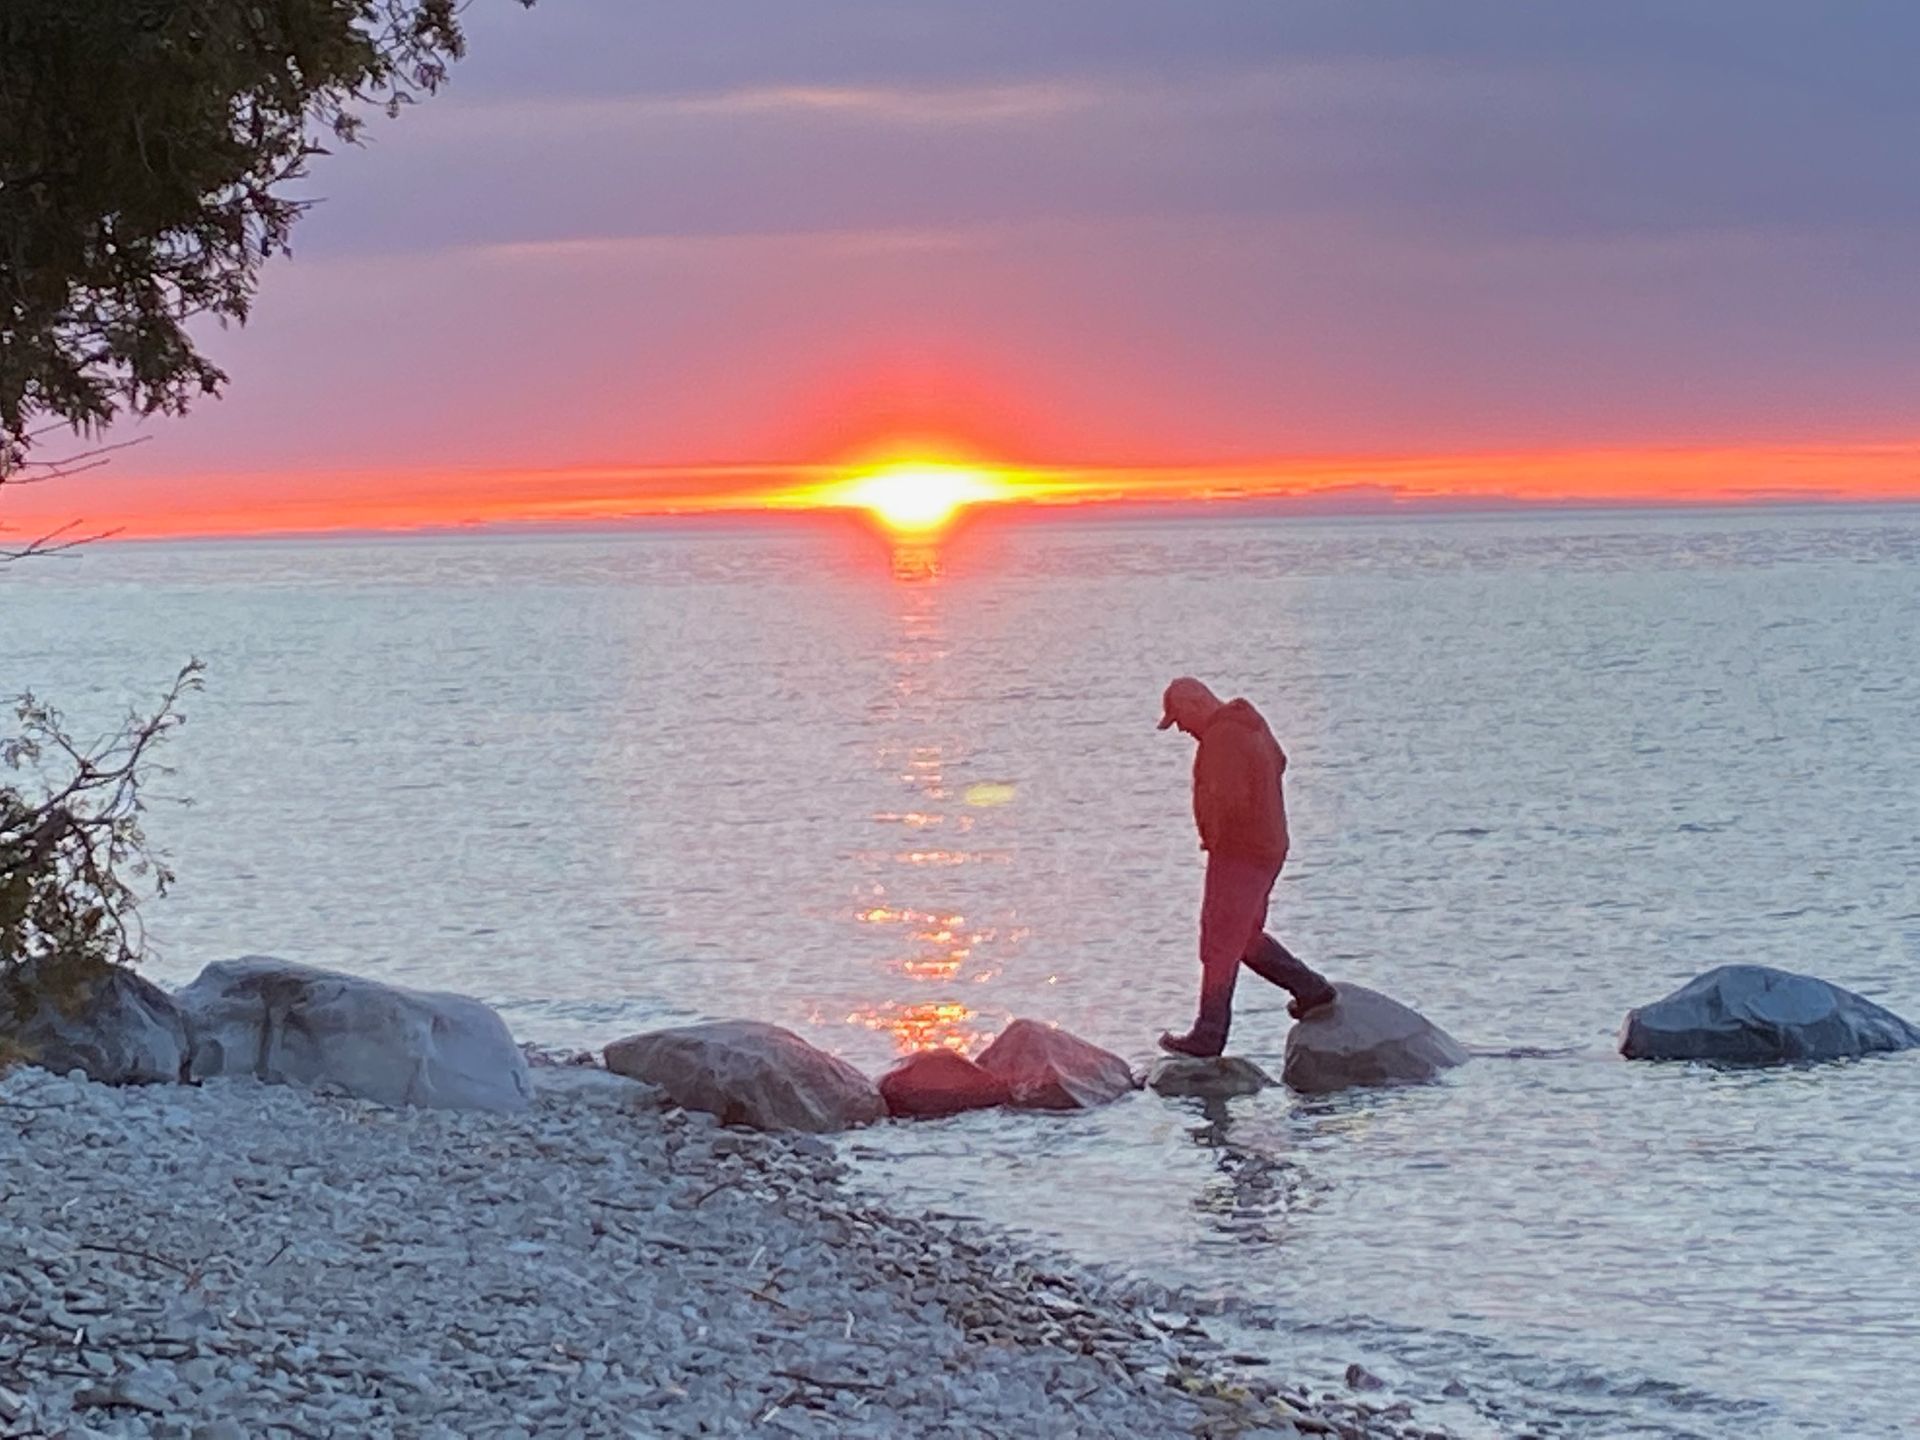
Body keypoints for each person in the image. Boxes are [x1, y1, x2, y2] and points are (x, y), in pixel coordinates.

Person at [1156, 677, 1337, 1058]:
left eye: (1180, 718)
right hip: (1269, 845)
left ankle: (1208, 1036)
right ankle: (1310, 989)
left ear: (1195, 703)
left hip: (1240, 851)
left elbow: (1229, 798)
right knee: (1243, 935)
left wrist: (1217, 836)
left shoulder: (1222, 736)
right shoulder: (1250, 724)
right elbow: (1280, 762)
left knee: (1219, 941)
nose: (1183, 729)